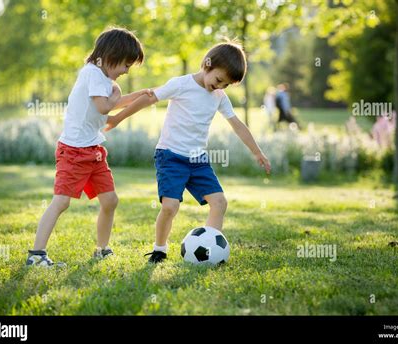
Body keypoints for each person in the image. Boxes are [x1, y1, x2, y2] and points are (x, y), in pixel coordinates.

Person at [105, 40, 272, 263]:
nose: (220, 87)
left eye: (225, 85)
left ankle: (210, 253)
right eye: (219, 80)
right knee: (170, 207)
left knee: (220, 203)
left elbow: (237, 124)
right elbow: (148, 98)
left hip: (198, 160)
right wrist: (117, 118)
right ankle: (160, 249)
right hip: (170, 156)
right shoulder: (181, 84)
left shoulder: (219, 97)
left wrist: (257, 152)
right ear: (207, 64)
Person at [26, 27, 152, 267]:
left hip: (94, 151)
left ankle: (102, 249)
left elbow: (109, 103)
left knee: (110, 200)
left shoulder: (102, 78)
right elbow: (105, 107)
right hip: (73, 151)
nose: (126, 70)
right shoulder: (92, 73)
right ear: (110, 56)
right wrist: (118, 94)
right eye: (125, 64)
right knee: (61, 202)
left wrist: (139, 95)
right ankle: (36, 254)